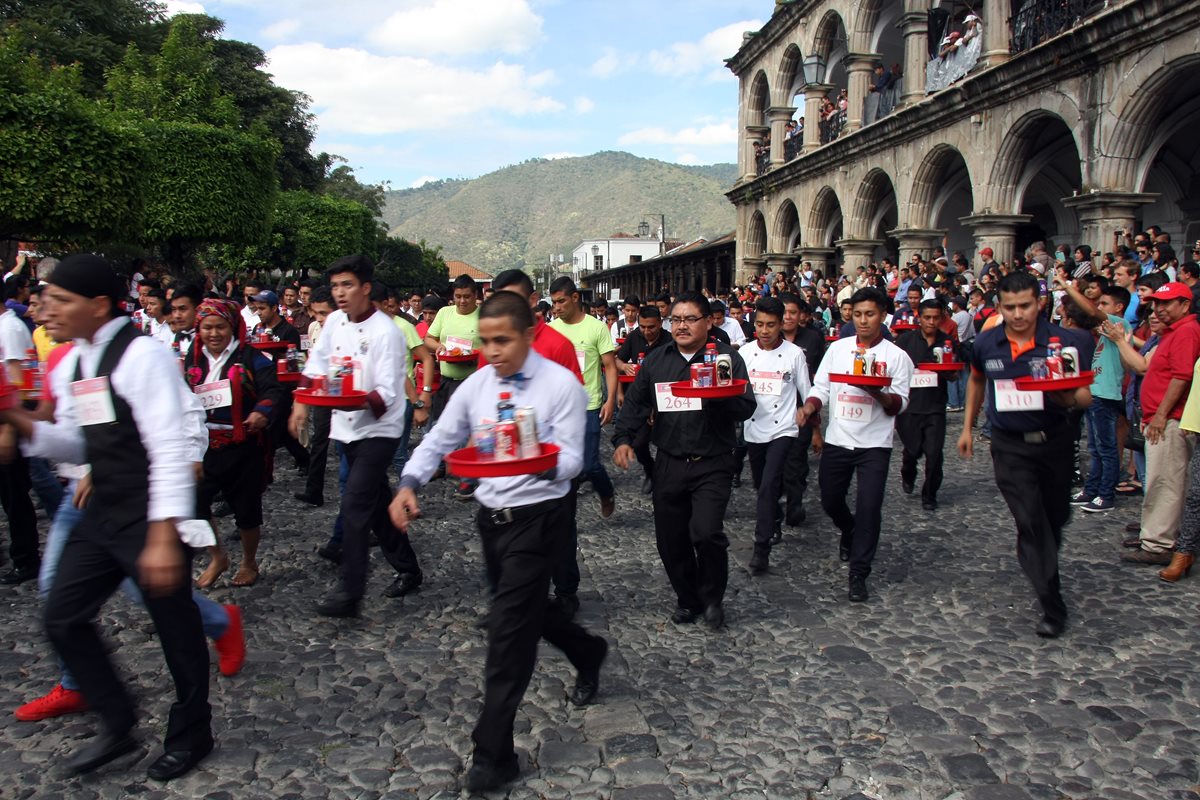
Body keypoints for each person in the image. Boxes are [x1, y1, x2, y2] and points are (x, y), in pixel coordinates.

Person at [0, 254, 214, 780]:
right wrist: (22, 423)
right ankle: (117, 722)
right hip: (101, 511)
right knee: (63, 615)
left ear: (97, 305)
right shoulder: (76, 360)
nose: (45, 310)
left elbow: (167, 446)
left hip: (148, 516)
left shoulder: (144, 356)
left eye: (60, 300)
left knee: (176, 632)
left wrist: (164, 534)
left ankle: (192, 733)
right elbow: (80, 440)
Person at [390, 292, 609, 793]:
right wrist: (409, 483)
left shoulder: (560, 386)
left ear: (528, 335)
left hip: (540, 518)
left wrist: (537, 459)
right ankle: (587, 650)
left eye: (502, 340)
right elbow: (443, 438)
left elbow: (575, 458)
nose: (492, 351)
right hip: (493, 520)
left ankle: (493, 753)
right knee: (527, 608)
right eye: (485, 341)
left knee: (508, 631)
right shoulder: (476, 388)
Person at [957, 270, 1094, 638]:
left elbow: (1084, 396)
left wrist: (1066, 395)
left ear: (1040, 303)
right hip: (1010, 444)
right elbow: (977, 380)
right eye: (1010, 307)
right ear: (999, 307)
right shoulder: (988, 344)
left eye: (1025, 306)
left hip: (1055, 439)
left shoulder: (1066, 342)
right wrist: (968, 427)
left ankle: (1041, 551)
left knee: (1055, 517)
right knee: (1030, 520)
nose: (1018, 314)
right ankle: (1052, 602)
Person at [612, 292, 756, 628]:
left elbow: (747, 406)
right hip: (670, 461)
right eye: (676, 320)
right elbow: (635, 404)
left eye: (690, 319)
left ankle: (712, 598)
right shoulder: (658, 362)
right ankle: (687, 599)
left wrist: (718, 396)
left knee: (706, 533)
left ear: (708, 322)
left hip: (713, 461)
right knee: (670, 538)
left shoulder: (725, 358)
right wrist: (622, 440)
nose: (682, 326)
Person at [291, 256, 423, 616]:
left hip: (379, 430)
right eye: (335, 286)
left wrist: (350, 399)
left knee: (353, 506)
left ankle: (350, 593)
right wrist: (302, 402)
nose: (340, 293)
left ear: (365, 288)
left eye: (347, 285)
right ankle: (408, 569)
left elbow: (389, 392)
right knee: (378, 504)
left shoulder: (387, 332)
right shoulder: (334, 321)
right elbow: (317, 364)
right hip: (344, 427)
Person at [798, 288, 913, 603]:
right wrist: (809, 407)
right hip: (839, 439)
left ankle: (859, 572)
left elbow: (898, 405)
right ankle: (848, 529)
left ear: (883, 315)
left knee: (869, 507)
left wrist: (876, 392)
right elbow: (822, 386)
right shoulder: (838, 349)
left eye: (870, 314)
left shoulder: (897, 357)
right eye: (858, 314)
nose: (863, 321)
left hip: (874, 445)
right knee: (830, 500)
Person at [185, 299, 286, 588]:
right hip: (203, 444)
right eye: (207, 327)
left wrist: (261, 412)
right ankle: (218, 556)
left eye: (220, 327)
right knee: (195, 504)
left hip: (243, 445)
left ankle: (248, 561)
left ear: (233, 327)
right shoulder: (193, 360)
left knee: (246, 509)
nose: (214, 333)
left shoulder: (251, 357)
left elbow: (274, 390)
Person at [1122, 282, 1200, 565]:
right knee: (1161, 479)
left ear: (1185, 305)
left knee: (1165, 481)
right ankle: (1154, 533)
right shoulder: (1174, 332)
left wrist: (1160, 415)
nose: (1159, 309)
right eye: (1157, 303)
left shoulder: (1187, 332)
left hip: (1167, 420)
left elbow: (1182, 376)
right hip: (1161, 417)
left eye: (1166, 303)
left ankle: (1158, 543)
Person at [739, 298, 811, 574]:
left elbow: (808, 391)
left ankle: (761, 547)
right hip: (754, 427)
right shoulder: (745, 353)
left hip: (784, 428)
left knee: (769, 485)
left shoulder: (794, 354)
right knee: (761, 484)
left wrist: (807, 412)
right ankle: (775, 517)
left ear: (781, 324)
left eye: (771, 325)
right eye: (759, 324)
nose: (765, 330)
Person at [549, 276, 618, 519]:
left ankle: (606, 491)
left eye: (561, 302)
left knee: (589, 464)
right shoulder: (551, 330)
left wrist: (610, 400)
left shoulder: (596, 327)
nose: (556, 308)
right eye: (554, 303)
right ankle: (564, 516)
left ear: (575, 298)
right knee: (562, 466)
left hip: (589, 404)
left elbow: (609, 366)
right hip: (558, 409)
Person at [895, 300, 957, 510]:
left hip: (935, 407)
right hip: (909, 406)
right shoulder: (905, 341)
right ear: (919, 318)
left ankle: (929, 495)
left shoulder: (947, 342)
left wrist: (947, 370)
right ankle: (908, 472)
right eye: (927, 317)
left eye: (935, 317)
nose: (931, 322)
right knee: (912, 450)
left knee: (934, 453)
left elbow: (954, 375)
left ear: (941, 318)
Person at [425, 274, 483, 499]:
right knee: (438, 424)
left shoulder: (482, 316)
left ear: (475, 296)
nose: (462, 301)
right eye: (458, 297)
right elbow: (429, 338)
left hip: (472, 380)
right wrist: (439, 347)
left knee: (469, 431)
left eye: (467, 297)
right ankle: (437, 464)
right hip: (447, 378)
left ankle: (469, 478)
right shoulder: (444, 313)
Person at [615, 305, 673, 493]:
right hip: (638, 399)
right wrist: (623, 367)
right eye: (643, 327)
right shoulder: (634, 337)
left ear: (660, 324)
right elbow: (616, 360)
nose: (647, 331)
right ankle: (651, 470)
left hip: (663, 401)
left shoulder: (669, 341)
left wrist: (658, 406)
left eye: (652, 327)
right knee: (638, 444)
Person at [296, 288, 336, 508]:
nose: (319, 318)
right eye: (316, 313)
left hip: (344, 394)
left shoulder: (346, 331)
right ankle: (314, 490)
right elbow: (311, 361)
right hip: (322, 391)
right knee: (320, 440)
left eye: (324, 313)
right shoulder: (314, 328)